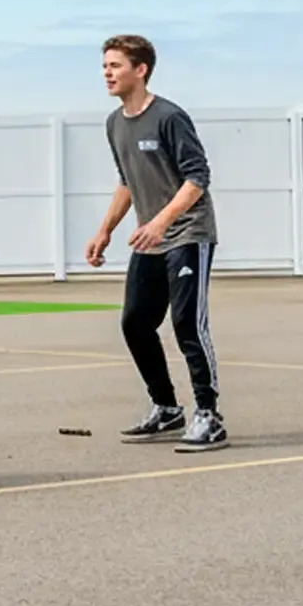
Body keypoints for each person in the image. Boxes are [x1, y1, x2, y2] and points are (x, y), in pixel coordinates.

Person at [85, 34, 226, 452]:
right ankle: (166, 408)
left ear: (140, 69)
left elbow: (197, 178)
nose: (107, 73)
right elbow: (128, 181)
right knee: (134, 323)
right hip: (151, 237)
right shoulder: (115, 123)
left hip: (187, 233)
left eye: (115, 66)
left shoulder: (169, 116)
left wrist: (162, 222)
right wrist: (105, 229)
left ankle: (208, 415)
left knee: (187, 324)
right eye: (105, 66)